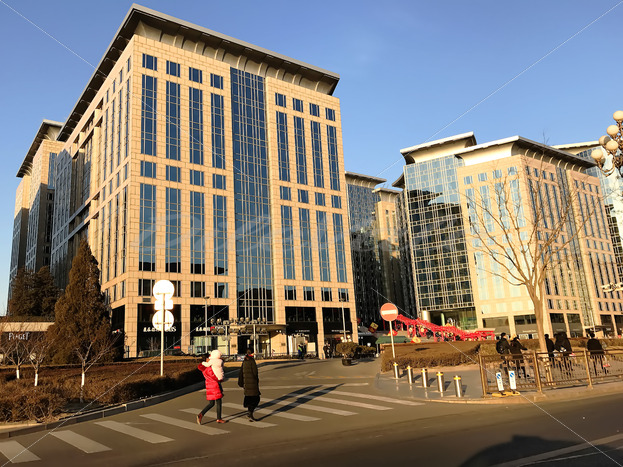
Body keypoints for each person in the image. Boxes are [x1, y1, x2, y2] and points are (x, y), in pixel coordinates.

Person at [197, 350, 226, 425]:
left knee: (212, 403)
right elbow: (214, 377)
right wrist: (220, 379)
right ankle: (218, 418)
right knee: (218, 402)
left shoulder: (205, 368)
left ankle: (201, 415)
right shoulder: (208, 369)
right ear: (206, 359)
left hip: (210, 386)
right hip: (214, 385)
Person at [238, 348, 260, 422]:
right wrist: (257, 380)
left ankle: (249, 411)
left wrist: (241, 382)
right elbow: (255, 372)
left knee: (249, 397)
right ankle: (250, 412)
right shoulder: (252, 361)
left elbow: (241, 372)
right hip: (252, 383)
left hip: (246, 383)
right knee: (256, 399)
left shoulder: (245, 360)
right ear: (252, 353)